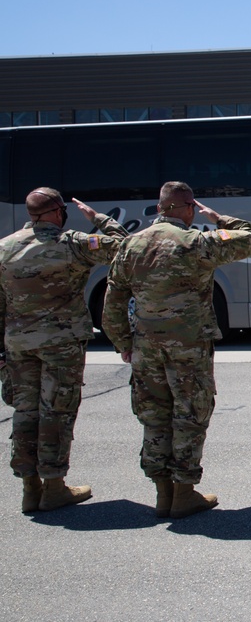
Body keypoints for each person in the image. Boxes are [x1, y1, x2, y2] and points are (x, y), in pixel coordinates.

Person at [103, 182, 251, 519]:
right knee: (190, 414)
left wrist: (123, 342)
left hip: (146, 346)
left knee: (154, 416)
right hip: (189, 345)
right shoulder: (196, 243)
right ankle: (184, 492)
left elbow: (114, 298)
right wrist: (220, 218)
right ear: (188, 207)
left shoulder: (132, 244)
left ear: (160, 208)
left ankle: (163, 493)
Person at [0, 188, 128, 513]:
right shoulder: (73, 243)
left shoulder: (5, 247)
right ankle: (54, 487)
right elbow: (126, 246)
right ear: (58, 212)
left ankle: (30, 489)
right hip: (61, 343)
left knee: (25, 412)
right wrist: (97, 218)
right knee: (56, 412)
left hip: (18, 344)